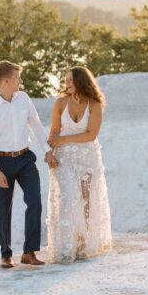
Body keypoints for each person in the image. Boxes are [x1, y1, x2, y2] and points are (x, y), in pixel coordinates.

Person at [0, 60, 57, 269]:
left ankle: (29, 253)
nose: (20, 81)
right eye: (17, 78)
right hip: (1, 161)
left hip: (25, 158)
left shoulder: (24, 99)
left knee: (34, 202)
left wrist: (47, 151)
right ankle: (6, 254)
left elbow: (36, 125)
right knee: (3, 209)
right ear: (6, 80)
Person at [44, 65, 113, 263]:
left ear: (81, 82)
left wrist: (62, 140)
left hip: (87, 157)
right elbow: (54, 132)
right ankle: (67, 247)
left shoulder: (95, 104)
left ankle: (82, 244)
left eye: (71, 80)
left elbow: (91, 135)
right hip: (64, 158)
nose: (67, 84)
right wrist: (50, 153)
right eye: (65, 80)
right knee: (66, 198)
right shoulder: (60, 103)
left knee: (85, 199)